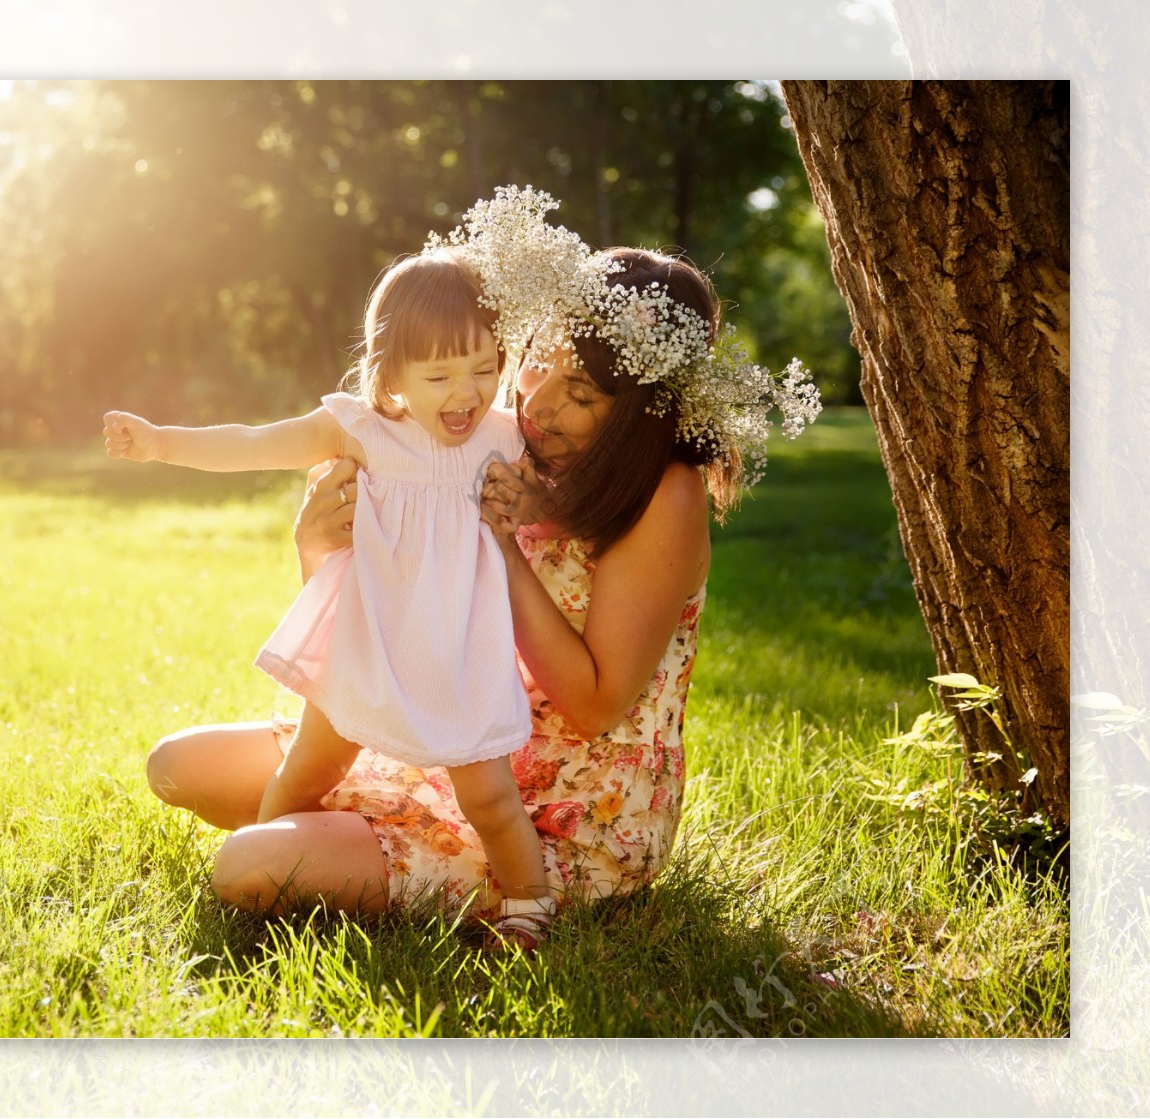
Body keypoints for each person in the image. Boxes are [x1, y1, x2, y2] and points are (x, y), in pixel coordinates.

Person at [143, 190, 820, 936]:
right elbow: (391, 613)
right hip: (435, 725)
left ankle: (494, 887)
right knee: (177, 764)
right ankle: (335, 828)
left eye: (582, 392)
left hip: (561, 806)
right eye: (535, 363)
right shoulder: (500, 440)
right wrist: (319, 546)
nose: (538, 400)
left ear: (641, 408)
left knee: (246, 865)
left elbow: (594, 703)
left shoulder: (667, 493)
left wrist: (504, 548)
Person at [104, 248, 557, 948]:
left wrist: (529, 496)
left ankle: (529, 907)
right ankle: (257, 857)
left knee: (489, 795)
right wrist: (161, 442)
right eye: (438, 374)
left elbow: (559, 501)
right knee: (305, 769)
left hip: (457, 654)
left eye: (483, 369)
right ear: (391, 375)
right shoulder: (361, 428)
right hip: (366, 644)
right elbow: (255, 442)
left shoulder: (503, 437)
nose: (465, 392)